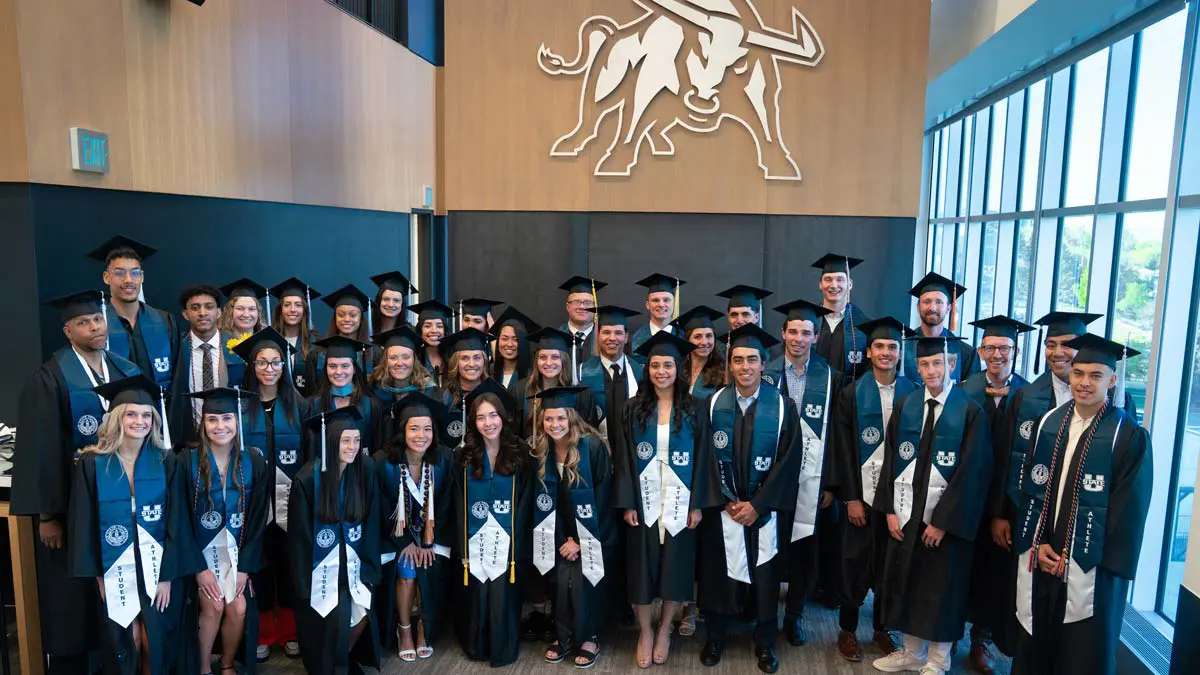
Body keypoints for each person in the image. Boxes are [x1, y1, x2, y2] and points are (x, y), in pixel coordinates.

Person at [12, 290, 142, 674]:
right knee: (73, 594)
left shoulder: (125, 370)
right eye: (83, 323)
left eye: (98, 320)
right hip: (73, 508)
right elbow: (40, 448)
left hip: (121, 502)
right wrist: (48, 515)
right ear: (68, 331)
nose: (94, 328)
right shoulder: (50, 377)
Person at [1010, 335, 1152, 675]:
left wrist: (1074, 554)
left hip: (1092, 568)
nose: (1084, 383)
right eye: (1078, 373)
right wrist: (1037, 542)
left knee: (1082, 653)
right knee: (1037, 646)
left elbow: (1126, 514)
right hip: (1044, 557)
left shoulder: (1128, 436)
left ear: (1112, 380)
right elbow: (1032, 490)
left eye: (1095, 375)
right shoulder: (1050, 424)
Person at [873, 335, 992, 675]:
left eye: (937, 363)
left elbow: (973, 473)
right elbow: (890, 460)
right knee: (910, 583)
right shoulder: (908, 405)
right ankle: (911, 652)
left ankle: (938, 660)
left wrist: (943, 522)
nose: (930, 370)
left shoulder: (969, 411)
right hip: (908, 517)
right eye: (924, 364)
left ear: (950, 365)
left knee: (942, 591)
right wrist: (890, 510)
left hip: (944, 525)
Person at [694, 323, 803, 675]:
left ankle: (765, 642)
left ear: (762, 364)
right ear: (730, 365)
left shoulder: (783, 406)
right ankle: (716, 637)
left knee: (766, 576)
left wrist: (759, 505)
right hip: (723, 510)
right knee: (717, 575)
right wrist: (726, 500)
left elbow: (790, 460)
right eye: (738, 360)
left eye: (752, 360)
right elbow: (704, 459)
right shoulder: (712, 405)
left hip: (763, 512)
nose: (744, 367)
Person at [69, 374, 196, 675]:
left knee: (154, 641)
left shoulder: (167, 462)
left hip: (159, 566)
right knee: (129, 640)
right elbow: (83, 521)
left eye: (146, 415)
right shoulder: (92, 463)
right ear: (116, 418)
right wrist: (100, 575)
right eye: (131, 414)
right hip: (116, 565)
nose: (140, 421)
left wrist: (167, 576)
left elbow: (178, 520)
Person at [613, 332, 705, 668]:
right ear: (647, 369)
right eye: (655, 365)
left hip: (679, 501)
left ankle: (665, 628)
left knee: (675, 568)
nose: (661, 371)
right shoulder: (632, 408)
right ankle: (644, 631)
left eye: (667, 365)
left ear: (678, 369)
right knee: (641, 568)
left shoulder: (695, 409)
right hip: (644, 499)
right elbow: (623, 458)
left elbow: (704, 458)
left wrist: (696, 503)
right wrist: (627, 502)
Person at [828, 316, 915, 662]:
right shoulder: (851, 393)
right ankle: (847, 630)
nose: (885, 352)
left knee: (888, 567)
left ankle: (882, 629)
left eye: (892, 347)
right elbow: (843, 448)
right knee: (854, 563)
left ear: (899, 352)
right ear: (868, 351)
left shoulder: (912, 392)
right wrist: (850, 498)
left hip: (898, 500)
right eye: (879, 346)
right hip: (861, 498)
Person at [763, 299, 841, 647]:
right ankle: (762, 612)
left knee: (803, 552)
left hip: (811, 482)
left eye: (806, 332)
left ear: (815, 336)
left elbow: (838, 434)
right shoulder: (766, 373)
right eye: (793, 331)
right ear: (783, 334)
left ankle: (794, 615)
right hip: (771, 481)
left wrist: (830, 484)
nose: (798, 338)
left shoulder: (830, 378)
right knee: (768, 547)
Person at [960, 314, 1034, 668]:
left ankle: (981, 640)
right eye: (989, 347)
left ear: (1015, 350)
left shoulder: (1030, 395)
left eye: (1003, 347)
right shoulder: (965, 390)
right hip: (966, 498)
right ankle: (945, 636)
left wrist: (1002, 511)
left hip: (1006, 501)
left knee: (995, 574)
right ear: (980, 350)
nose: (997, 354)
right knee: (961, 569)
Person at [234, 327, 311, 661]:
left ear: (285, 366)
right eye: (262, 362)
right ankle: (265, 632)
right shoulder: (238, 406)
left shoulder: (300, 406)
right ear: (252, 366)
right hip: (252, 504)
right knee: (259, 569)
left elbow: (310, 457)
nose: (269, 368)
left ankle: (291, 631)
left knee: (291, 568)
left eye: (276, 362)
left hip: (291, 502)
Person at [181, 387, 271, 675]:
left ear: (237, 422)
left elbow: (258, 519)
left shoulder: (253, 462)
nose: (220, 426)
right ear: (203, 423)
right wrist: (199, 569)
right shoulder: (185, 462)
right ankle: (204, 666)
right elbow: (179, 520)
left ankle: (229, 663)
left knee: (239, 608)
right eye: (213, 420)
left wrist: (245, 566)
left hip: (235, 552)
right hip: (200, 553)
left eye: (227, 418)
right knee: (214, 606)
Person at [288, 406, 383, 674]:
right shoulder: (307, 479)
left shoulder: (365, 471)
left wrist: (369, 569)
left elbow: (372, 522)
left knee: (362, 611)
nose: (353, 447)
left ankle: (342, 659)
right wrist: (304, 584)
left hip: (354, 566)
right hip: (320, 572)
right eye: (345, 440)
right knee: (333, 617)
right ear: (330, 442)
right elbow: (300, 539)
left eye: (357, 440)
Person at [532, 386, 617, 669]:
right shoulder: (540, 451)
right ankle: (563, 636)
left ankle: (589, 636)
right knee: (558, 578)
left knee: (582, 580)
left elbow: (605, 501)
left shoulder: (592, 447)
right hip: (557, 535)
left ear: (571, 418)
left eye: (560, 418)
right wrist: (561, 540)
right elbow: (542, 503)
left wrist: (581, 541)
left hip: (594, 533)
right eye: (548, 419)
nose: (554, 425)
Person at [450, 383, 534, 667]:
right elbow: (458, 502)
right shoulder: (462, 456)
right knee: (477, 591)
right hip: (473, 542)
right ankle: (477, 644)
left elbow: (525, 501)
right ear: (473, 422)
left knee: (502, 592)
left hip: (509, 545)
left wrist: (515, 541)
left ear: (504, 417)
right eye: (481, 417)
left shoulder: (521, 453)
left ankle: (502, 645)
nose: (488, 423)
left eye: (493, 415)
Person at [374, 392, 454, 661]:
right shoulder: (383, 462)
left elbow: (445, 503)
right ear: (402, 431)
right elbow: (382, 507)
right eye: (414, 428)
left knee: (430, 567)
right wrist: (406, 542)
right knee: (406, 571)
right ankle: (405, 629)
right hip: (395, 537)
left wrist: (428, 541)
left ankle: (424, 627)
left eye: (427, 428)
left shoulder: (444, 458)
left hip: (433, 535)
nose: (421, 435)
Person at [88, 235, 179, 390]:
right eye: (119, 273)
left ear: (142, 277)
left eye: (135, 273)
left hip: (159, 411)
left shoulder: (164, 321)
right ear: (106, 277)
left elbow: (177, 379)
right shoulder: (97, 324)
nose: (128, 280)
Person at [170, 284, 245, 449]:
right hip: (188, 441)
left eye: (208, 307)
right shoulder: (175, 348)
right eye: (195, 308)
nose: (202, 313)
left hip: (230, 438)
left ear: (218, 312)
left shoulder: (237, 348)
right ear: (185, 314)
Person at [514, 327, 601, 441]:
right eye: (543, 357)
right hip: (531, 455)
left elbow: (588, 435)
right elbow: (514, 433)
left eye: (555, 357)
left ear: (564, 360)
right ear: (536, 361)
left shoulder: (582, 394)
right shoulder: (521, 390)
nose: (548, 363)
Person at [578, 305, 644, 449]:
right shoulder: (583, 372)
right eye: (606, 332)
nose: (612, 338)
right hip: (596, 452)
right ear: (598, 336)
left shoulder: (639, 372)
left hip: (631, 452)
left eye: (618, 333)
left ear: (626, 337)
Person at [306, 335, 380, 460]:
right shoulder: (313, 405)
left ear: (354, 369)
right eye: (332, 366)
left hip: (361, 474)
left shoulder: (371, 405)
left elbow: (377, 447)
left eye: (345, 366)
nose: (338, 372)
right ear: (326, 369)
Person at [902, 273, 979, 383]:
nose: (932, 307)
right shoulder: (902, 347)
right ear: (918, 307)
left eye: (939, 302)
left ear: (948, 308)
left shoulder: (965, 352)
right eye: (926, 302)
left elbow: (971, 394)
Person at [811, 253, 871, 385]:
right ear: (820, 284)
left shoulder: (863, 325)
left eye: (840, 279)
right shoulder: (809, 321)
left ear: (850, 284)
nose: (833, 285)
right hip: (811, 396)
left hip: (849, 398)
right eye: (828, 279)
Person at [306, 284, 374, 385]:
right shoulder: (318, 353)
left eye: (353, 315)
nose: (346, 319)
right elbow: (312, 390)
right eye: (341, 315)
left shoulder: (373, 353)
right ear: (335, 318)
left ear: (361, 319)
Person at [442, 327, 497, 446]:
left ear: (484, 361)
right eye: (465, 358)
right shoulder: (444, 397)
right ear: (456, 362)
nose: (471, 364)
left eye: (477, 358)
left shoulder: (495, 394)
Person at [269, 277, 322, 395]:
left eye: (298, 305)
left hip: (309, 407)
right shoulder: (270, 340)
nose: (293, 310)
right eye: (287, 305)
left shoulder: (316, 342)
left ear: (304, 310)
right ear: (280, 310)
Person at [674, 305, 726, 404]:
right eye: (697, 337)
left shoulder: (722, 372)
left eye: (709, 336)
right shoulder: (677, 368)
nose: (704, 342)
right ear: (688, 340)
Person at [559, 276, 607, 383]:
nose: (582, 307)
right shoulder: (557, 336)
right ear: (568, 307)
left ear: (595, 307)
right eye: (576, 302)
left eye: (588, 303)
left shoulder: (604, 338)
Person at [629, 273, 684, 352]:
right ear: (647, 305)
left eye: (666, 300)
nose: (661, 304)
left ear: (674, 303)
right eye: (655, 300)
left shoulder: (684, 337)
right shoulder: (637, 338)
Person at [490, 305, 539, 391]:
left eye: (516, 339)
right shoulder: (489, 373)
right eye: (504, 339)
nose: (509, 344)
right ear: (498, 341)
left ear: (523, 342)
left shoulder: (533, 375)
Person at [409, 300, 453, 386]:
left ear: (445, 331)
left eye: (439, 326)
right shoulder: (414, 359)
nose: (434, 330)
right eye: (427, 326)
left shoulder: (452, 357)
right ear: (420, 330)